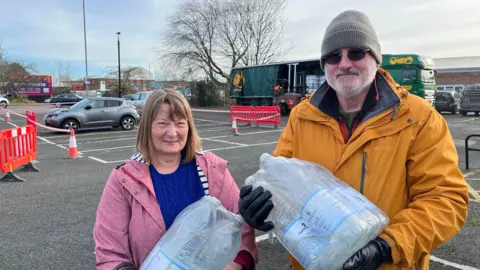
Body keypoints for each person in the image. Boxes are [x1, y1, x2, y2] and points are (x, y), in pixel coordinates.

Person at [238, 10, 469, 270]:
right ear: (325, 65)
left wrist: (387, 246)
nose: (344, 63)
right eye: (334, 56)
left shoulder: (418, 118)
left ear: (376, 58)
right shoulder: (302, 116)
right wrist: (257, 205)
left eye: (356, 53)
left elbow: (445, 200)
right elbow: (277, 180)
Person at [94, 89, 258, 270]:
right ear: (147, 127)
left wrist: (237, 265)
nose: (172, 133)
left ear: (189, 127)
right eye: (162, 123)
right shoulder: (123, 180)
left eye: (180, 123)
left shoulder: (212, 170)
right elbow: (109, 249)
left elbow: (242, 231)